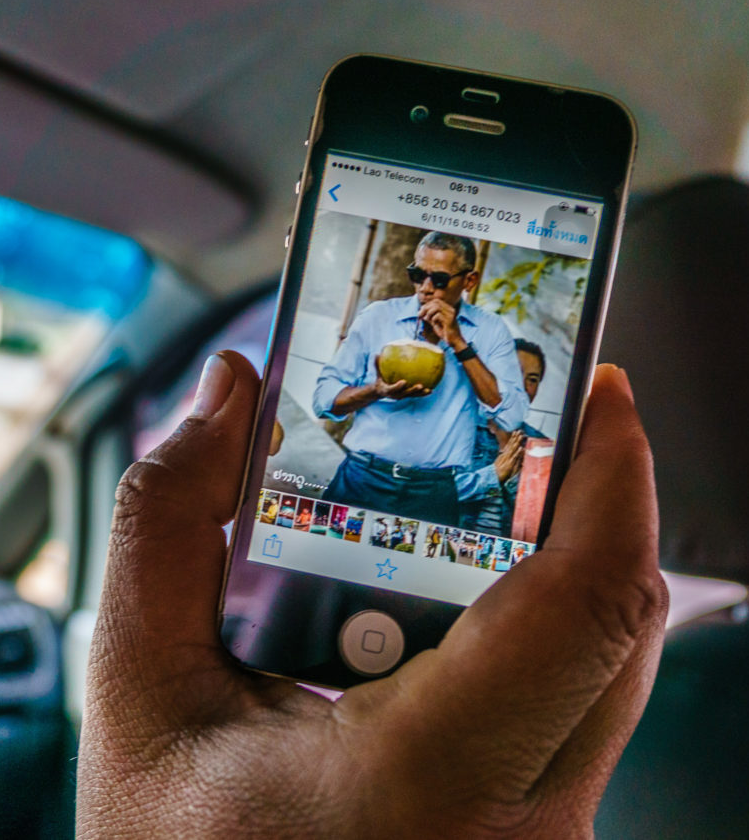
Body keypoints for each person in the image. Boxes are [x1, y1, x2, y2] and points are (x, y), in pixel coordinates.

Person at [76, 351, 667, 837]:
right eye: (509, 372)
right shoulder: (438, 430)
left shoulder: (539, 450)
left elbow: (519, 537)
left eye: (529, 380)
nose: (514, 387)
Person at [313, 231, 527, 525]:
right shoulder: (378, 317)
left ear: (469, 281)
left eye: (439, 279)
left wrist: (459, 344)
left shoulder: (490, 331)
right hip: (363, 477)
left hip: (435, 490)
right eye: (417, 275)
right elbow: (323, 400)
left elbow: (512, 415)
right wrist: (375, 390)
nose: (425, 289)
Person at [457, 338, 549, 535]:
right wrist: (493, 476)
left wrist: (512, 481)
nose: (522, 386)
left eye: (532, 379)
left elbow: (541, 522)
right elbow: (432, 493)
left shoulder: (541, 446)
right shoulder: (457, 427)